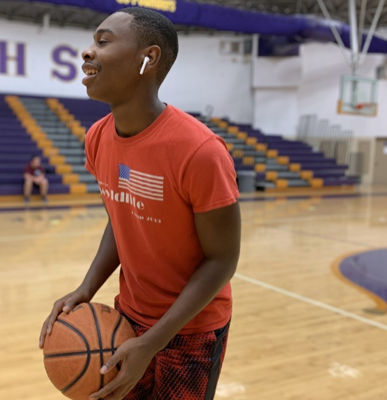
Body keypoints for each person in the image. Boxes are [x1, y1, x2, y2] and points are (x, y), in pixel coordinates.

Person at [39, 8, 241, 400]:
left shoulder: (200, 152)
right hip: (126, 319)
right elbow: (121, 218)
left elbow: (222, 260)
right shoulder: (97, 139)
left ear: (147, 59)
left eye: (103, 41)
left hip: (192, 333)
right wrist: (87, 286)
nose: (87, 52)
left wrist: (154, 343)